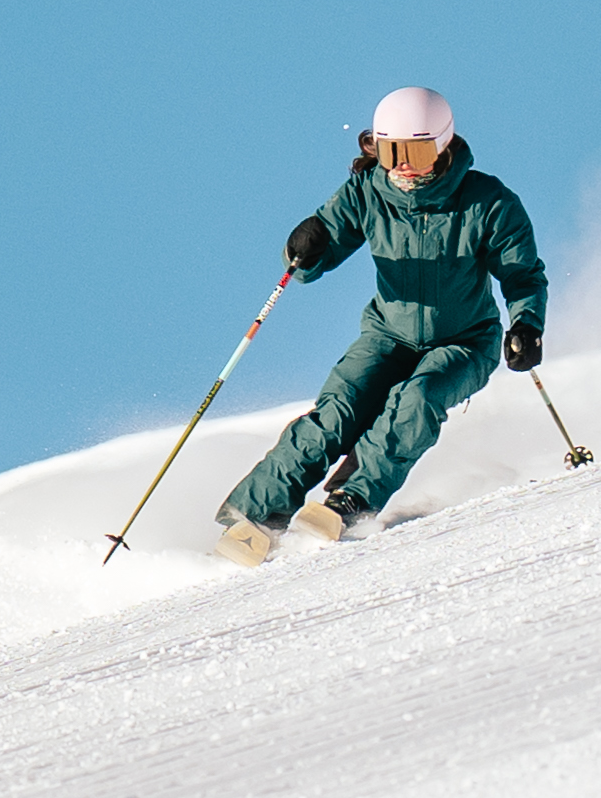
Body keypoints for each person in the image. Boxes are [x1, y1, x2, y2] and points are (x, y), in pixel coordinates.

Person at [216, 85, 548, 564]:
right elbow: (321, 246)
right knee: (336, 414)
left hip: (464, 341)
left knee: (416, 401)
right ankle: (253, 516)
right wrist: (307, 249)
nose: (404, 164)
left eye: (417, 150)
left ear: (443, 143)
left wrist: (526, 324)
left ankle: (351, 498)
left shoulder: (487, 201)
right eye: (392, 151)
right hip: (387, 335)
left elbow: (521, 273)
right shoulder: (367, 192)